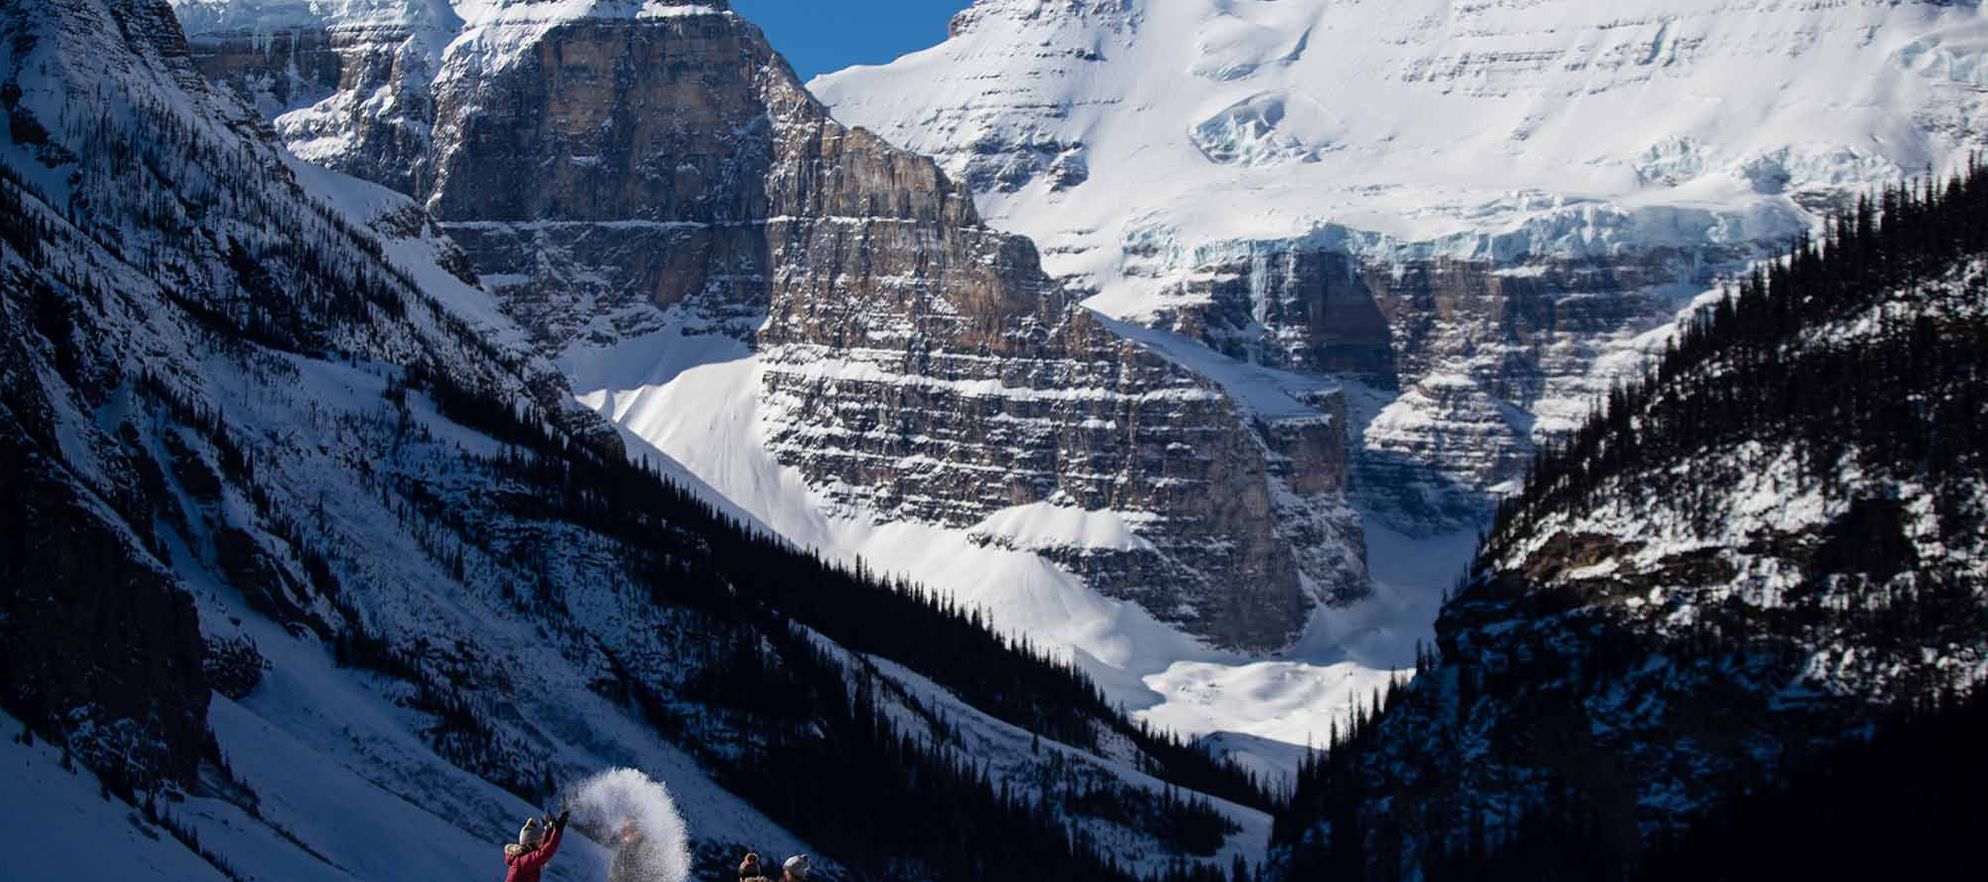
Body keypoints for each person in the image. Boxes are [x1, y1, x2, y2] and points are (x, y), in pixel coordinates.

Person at [503, 810, 568, 882]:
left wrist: (549, 830)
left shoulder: (521, 861)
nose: (540, 845)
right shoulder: (523, 863)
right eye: (538, 843)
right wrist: (558, 830)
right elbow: (545, 852)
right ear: (532, 844)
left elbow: (543, 847)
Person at [608, 817, 652, 882]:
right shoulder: (621, 851)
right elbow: (613, 876)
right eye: (624, 831)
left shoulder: (645, 846)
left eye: (630, 830)